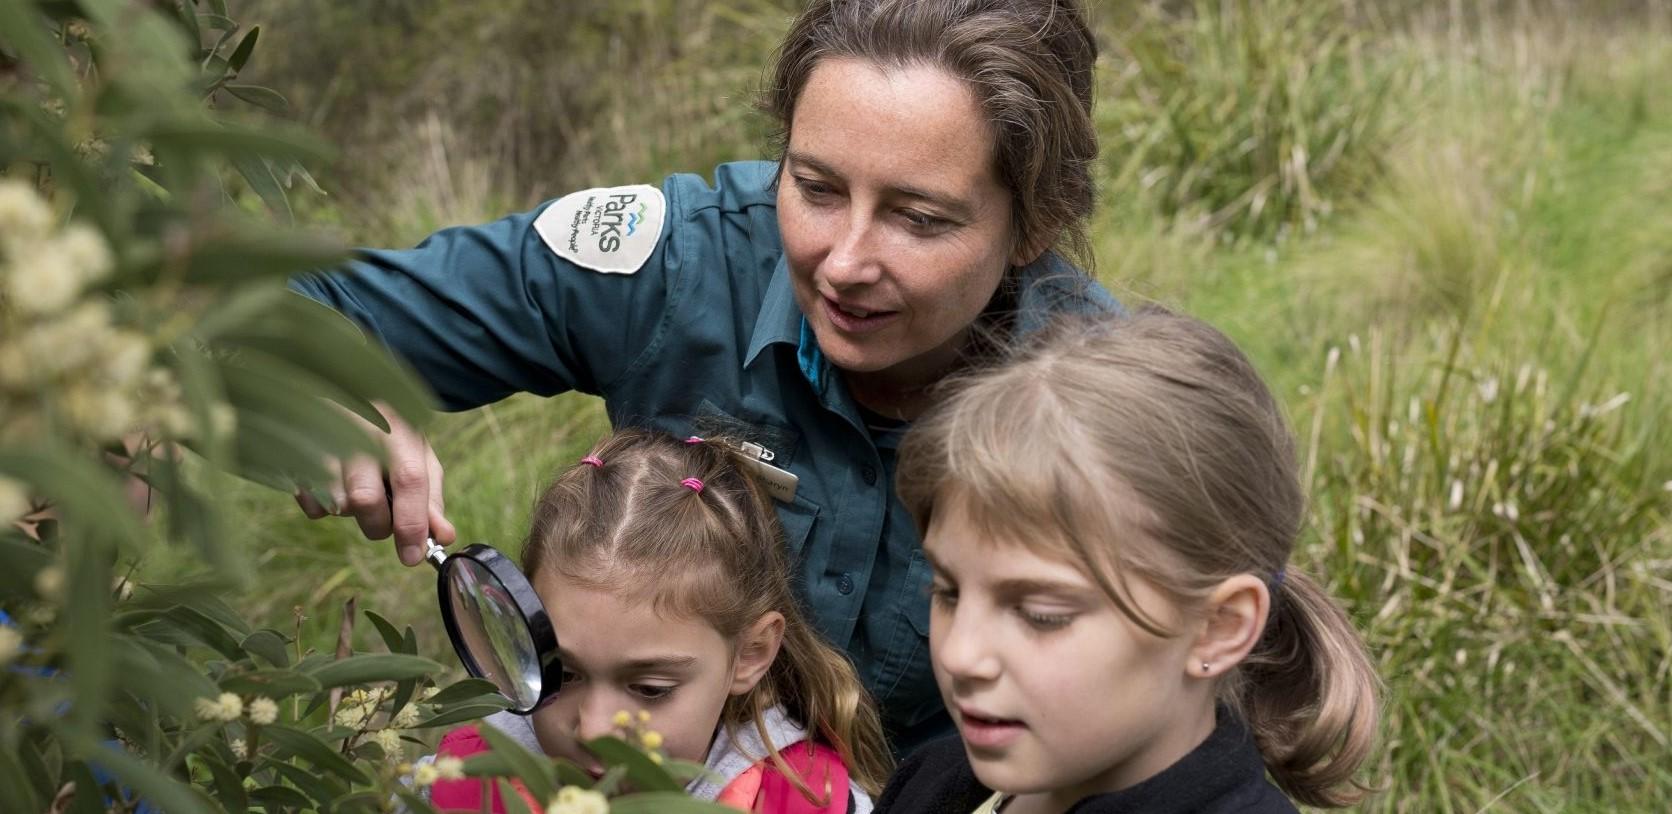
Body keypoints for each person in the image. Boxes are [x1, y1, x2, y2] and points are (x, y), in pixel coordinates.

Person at [289, 0, 1115, 750]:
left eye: (919, 218)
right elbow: (259, 313)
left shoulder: (1118, 410)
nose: (845, 261)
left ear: (1037, 220)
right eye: (815, 187)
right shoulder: (677, 264)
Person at [875, 309, 1381, 813]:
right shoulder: (929, 783)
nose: (961, 655)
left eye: (1041, 614)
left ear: (1219, 626)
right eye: (948, 591)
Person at [427, 429, 892, 812]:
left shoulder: (805, 800)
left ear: (751, 654)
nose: (595, 729)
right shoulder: (461, 781)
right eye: (562, 673)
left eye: (651, 689)